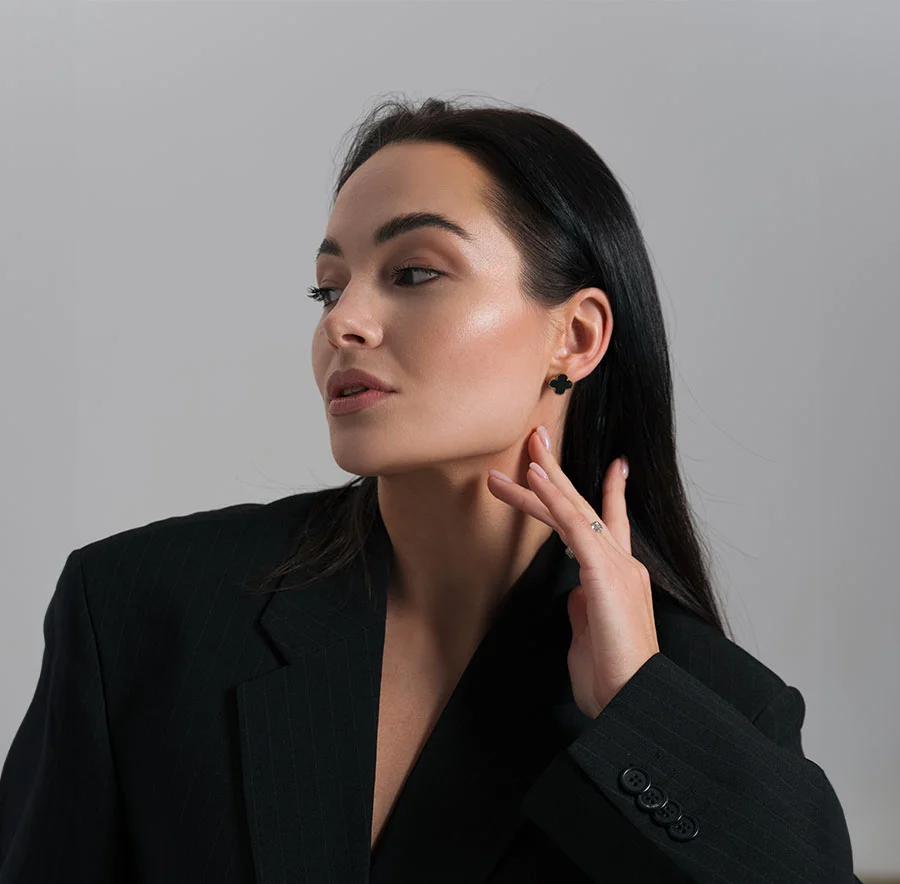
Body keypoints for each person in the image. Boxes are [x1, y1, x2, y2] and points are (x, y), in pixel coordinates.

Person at [0, 95, 862, 883]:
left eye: (413, 273)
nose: (342, 321)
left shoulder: (703, 702)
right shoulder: (141, 612)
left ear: (578, 336)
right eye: (327, 286)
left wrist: (635, 707)